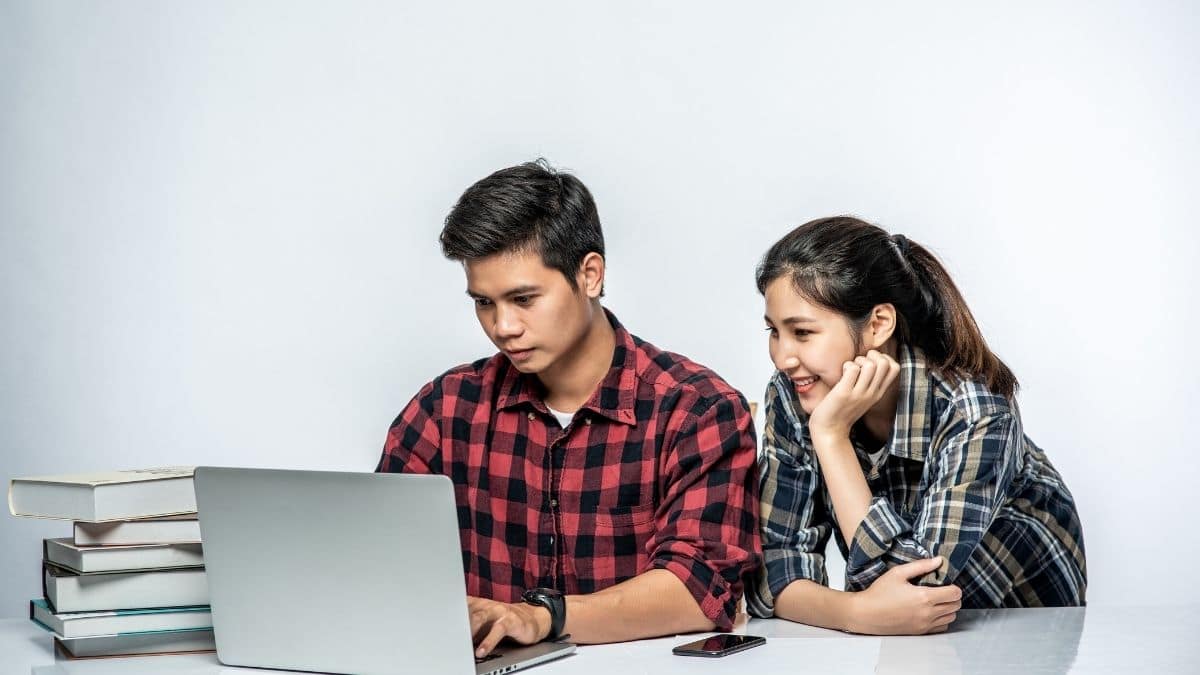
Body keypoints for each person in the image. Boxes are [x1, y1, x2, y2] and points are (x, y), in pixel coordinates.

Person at [376, 160, 761, 655]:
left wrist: (542, 617)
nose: (502, 327)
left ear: (590, 275)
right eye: (484, 303)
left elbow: (700, 591)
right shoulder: (444, 410)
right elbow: (375, 562)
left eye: (523, 299)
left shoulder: (697, 411)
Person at [747, 216, 1086, 635]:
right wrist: (854, 613)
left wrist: (831, 437)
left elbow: (917, 592)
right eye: (774, 331)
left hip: (1028, 631)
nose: (782, 357)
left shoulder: (975, 410)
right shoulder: (792, 394)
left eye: (802, 332)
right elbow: (770, 577)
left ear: (878, 325)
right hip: (912, 646)